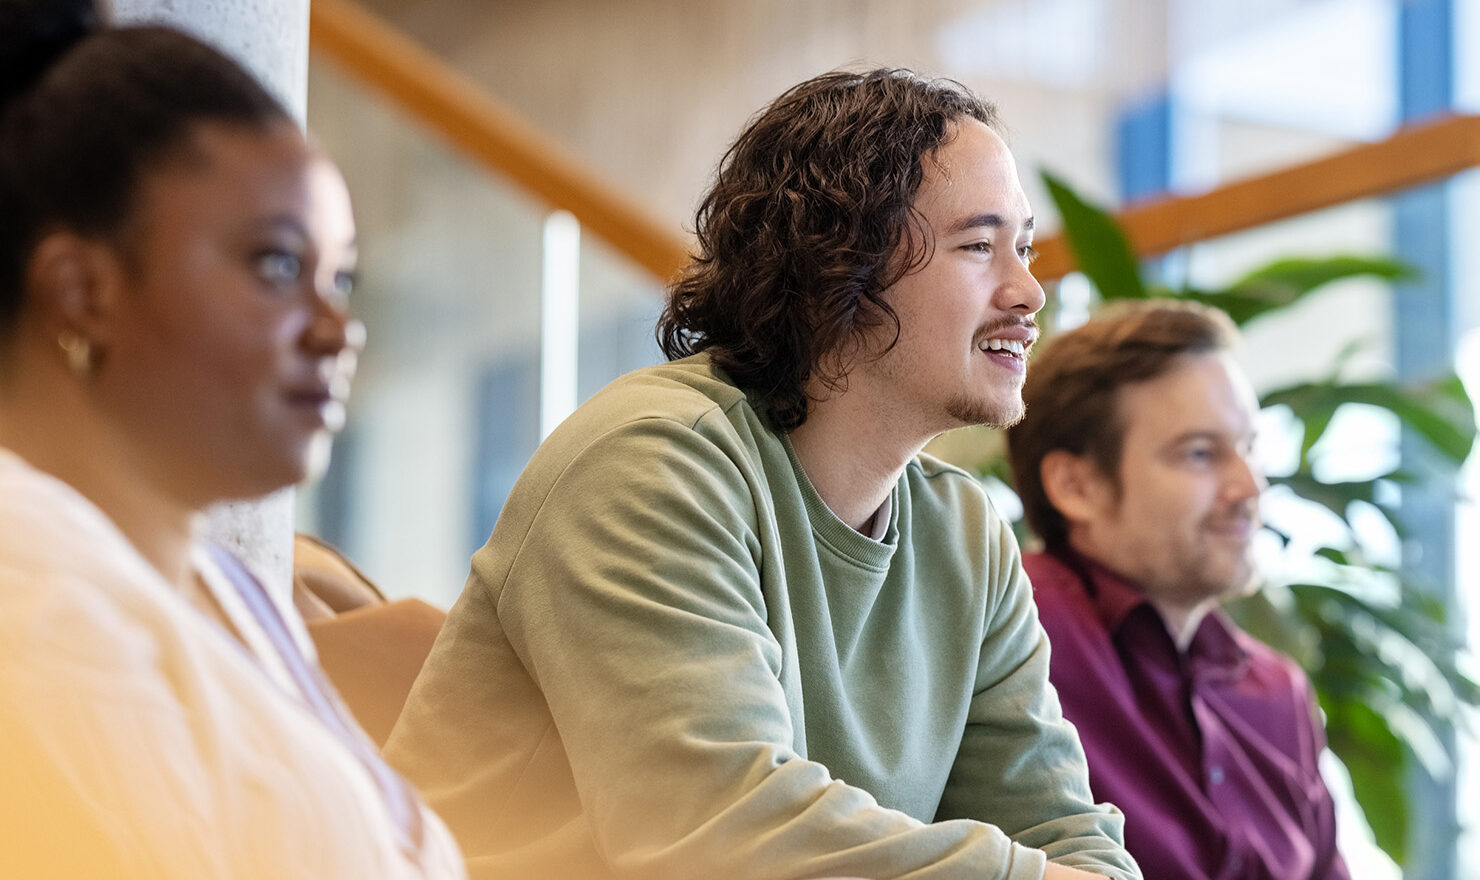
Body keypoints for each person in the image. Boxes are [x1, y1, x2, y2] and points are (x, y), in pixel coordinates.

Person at [386, 68, 1140, 880]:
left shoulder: (967, 536)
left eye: (1022, 247)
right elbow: (721, 834)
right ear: (837, 268)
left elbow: (1068, 835)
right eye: (979, 246)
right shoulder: (652, 463)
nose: (1028, 291)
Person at [0, 2, 464, 876]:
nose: (336, 330)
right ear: (81, 291)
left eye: (342, 278)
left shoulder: (225, 588)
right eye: (277, 265)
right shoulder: (28, 585)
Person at [1005, 300, 1350, 880]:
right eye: (1199, 453)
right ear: (1076, 485)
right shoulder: (1010, 637)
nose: (1250, 486)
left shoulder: (1277, 692)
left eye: (1249, 446)